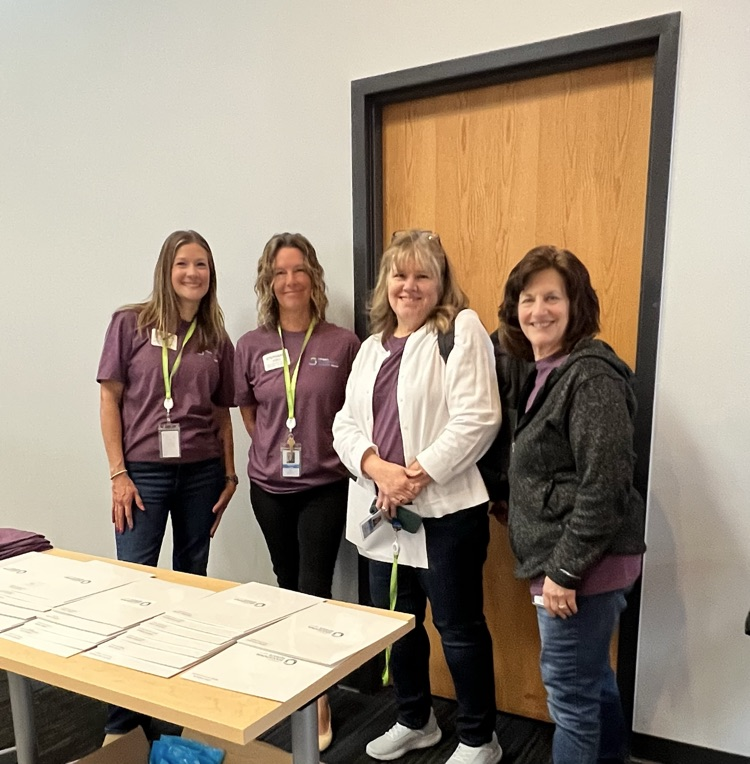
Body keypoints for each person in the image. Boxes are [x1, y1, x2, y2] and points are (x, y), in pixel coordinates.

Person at [332, 229, 503, 764]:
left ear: (440, 283)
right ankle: (415, 719)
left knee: (458, 628)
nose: (409, 286)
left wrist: (415, 475)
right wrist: (378, 469)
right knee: (395, 624)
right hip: (384, 512)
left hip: (445, 513)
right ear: (386, 284)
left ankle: (480, 738)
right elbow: (343, 424)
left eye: (422, 275)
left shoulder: (460, 330)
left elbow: (479, 417)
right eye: (399, 275)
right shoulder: (369, 347)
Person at [499, 245, 646, 764]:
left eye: (552, 297)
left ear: (576, 304)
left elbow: (605, 485)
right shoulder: (545, 369)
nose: (538, 309)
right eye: (527, 297)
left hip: (582, 565)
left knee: (570, 698)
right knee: (593, 680)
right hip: (579, 559)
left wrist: (564, 572)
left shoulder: (590, 375)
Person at [97, 229, 236, 740]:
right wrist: (118, 474)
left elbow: (222, 413)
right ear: (166, 269)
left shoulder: (215, 337)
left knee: (190, 589)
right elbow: (110, 399)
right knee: (135, 590)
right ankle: (121, 724)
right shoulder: (130, 323)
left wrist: (229, 472)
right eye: (183, 264)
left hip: (201, 474)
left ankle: (175, 716)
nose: (193, 273)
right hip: (143, 475)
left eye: (202, 265)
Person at [233, 232, 360, 751]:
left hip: (325, 485)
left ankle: (318, 699)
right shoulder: (250, 344)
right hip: (268, 488)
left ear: (313, 278)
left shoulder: (342, 343)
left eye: (299, 270)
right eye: (280, 272)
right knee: (287, 583)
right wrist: (272, 448)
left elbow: (356, 415)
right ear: (269, 281)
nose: (290, 280)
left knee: (314, 589)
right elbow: (247, 411)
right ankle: (297, 680)